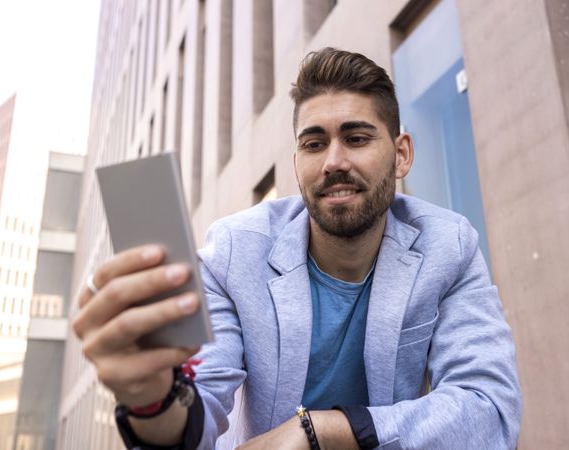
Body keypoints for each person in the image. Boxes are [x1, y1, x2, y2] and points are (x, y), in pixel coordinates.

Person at [73, 47, 522, 449]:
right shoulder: (235, 252)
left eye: (357, 138)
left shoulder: (449, 245)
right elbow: (195, 417)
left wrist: (317, 431)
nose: (333, 162)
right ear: (296, 163)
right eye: (314, 144)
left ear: (401, 153)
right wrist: (151, 399)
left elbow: (490, 412)